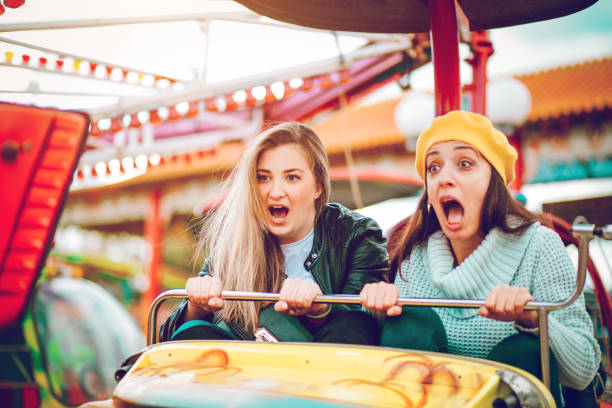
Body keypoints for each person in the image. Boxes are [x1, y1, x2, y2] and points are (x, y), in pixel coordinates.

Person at [360, 111, 600, 406]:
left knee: (523, 350)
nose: (445, 178)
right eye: (433, 168)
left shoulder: (539, 244)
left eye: (464, 164)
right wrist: (378, 307)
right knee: (407, 323)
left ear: (494, 183)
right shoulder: (414, 254)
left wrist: (534, 318)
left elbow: (585, 370)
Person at [160, 121, 388, 345]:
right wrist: (197, 304)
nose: (275, 192)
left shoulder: (356, 236)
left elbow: (362, 321)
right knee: (194, 331)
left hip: (323, 370)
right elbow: (169, 336)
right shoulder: (236, 245)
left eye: (292, 177)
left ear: (318, 186)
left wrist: (319, 308)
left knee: (354, 324)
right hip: (249, 371)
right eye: (263, 178)